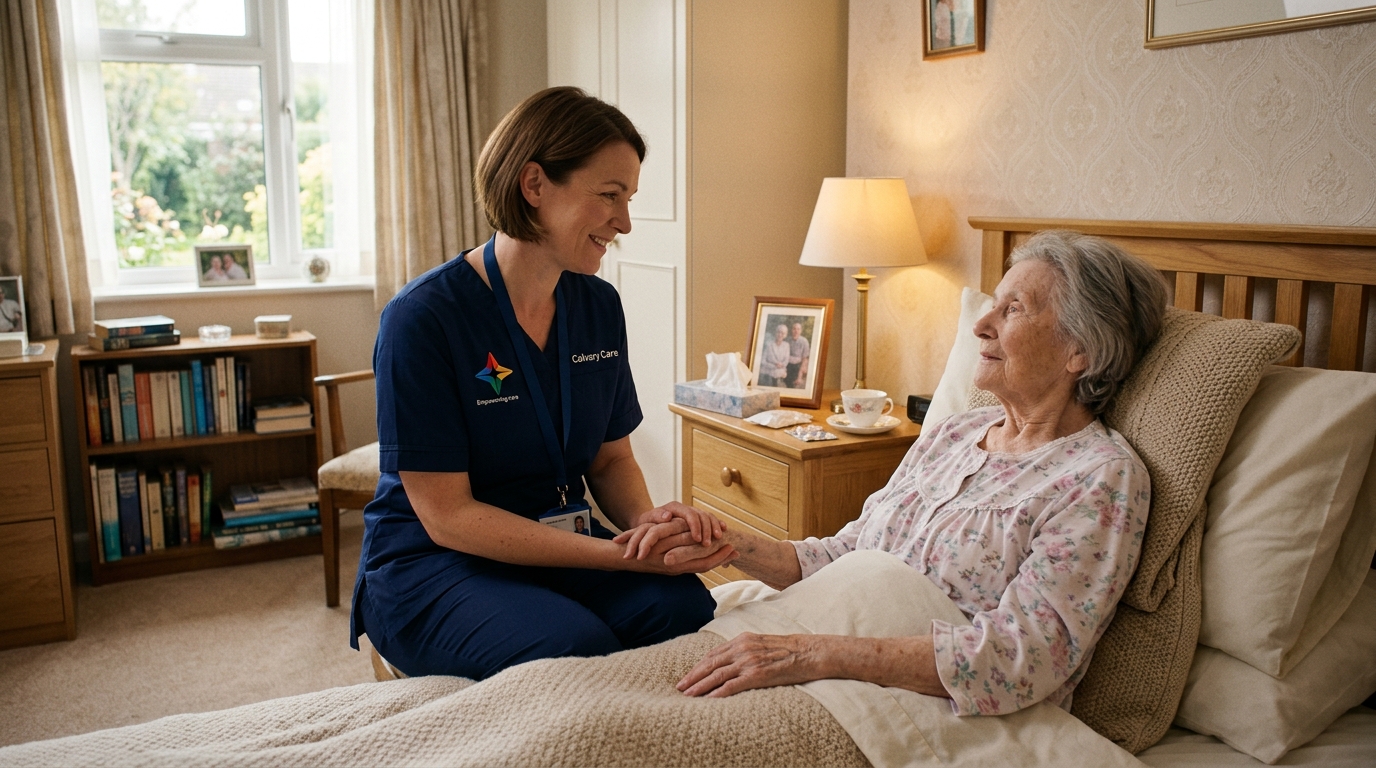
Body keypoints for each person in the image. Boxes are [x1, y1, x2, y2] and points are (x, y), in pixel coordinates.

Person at [626, 230, 1167, 716]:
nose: (981, 324)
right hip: (805, 644)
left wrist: (811, 653)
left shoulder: (1099, 478)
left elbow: (1021, 659)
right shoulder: (956, 432)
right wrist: (727, 543)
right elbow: (846, 555)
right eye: (992, 306)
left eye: (1014, 310)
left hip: (905, 700)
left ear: (1081, 350)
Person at [352, 87, 736, 680]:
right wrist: (614, 557)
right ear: (534, 185)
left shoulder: (598, 305)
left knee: (684, 608)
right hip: (435, 559)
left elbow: (610, 461)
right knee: (571, 650)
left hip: (559, 540)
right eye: (609, 196)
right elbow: (448, 515)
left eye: (629, 199)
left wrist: (646, 527)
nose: (625, 223)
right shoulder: (423, 318)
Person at [786, 321, 810, 389]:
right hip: (787, 364)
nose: (796, 331)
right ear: (791, 330)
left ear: (801, 331)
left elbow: (805, 359)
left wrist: (800, 376)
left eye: (798, 329)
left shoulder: (804, 341)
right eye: (794, 328)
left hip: (798, 365)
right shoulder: (787, 340)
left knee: (793, 384)